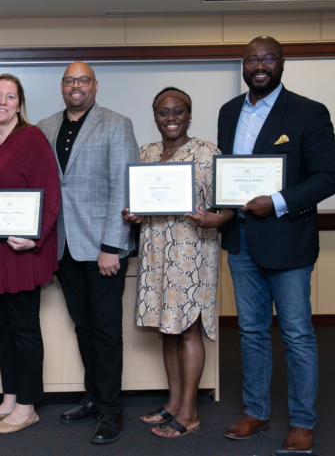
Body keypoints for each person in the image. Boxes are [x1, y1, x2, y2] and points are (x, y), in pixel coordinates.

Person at [218, 36, 335, 452]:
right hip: (240, 240)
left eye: (268, 58)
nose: (260, 65)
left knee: (297, 334)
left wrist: (275, 202)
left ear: (282, 63)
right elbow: (228, 175)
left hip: (288, 241)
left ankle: (302, 421)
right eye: (252, 59)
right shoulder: (229, 112)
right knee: (252, 332)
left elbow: (330, 176)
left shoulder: (309, 112)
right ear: (242, 64)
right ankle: (256, 411)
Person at [37, 61, 140, 445]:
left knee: (106, 331)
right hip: (63, 246)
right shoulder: (46, 127)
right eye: (69, 80)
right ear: (62, 86)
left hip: (103, 249)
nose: (75, 86)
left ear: (95, 85)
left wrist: (112, 246)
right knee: (83, 327)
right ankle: (94, 398)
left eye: (83, 80)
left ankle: (112, 410)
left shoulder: (116, 123)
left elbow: (123, 187)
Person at [122, 87, 234, 438]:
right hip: (155, 252)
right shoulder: (147, 152)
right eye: (163, 112)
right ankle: (172, 403)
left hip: (192, 252)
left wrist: (219, 218)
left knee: (187, 328)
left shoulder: (206, 153)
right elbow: (139, 201)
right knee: (166, 329)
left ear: (189, 114)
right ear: (154, 117)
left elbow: (228, 205)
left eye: (178, 111)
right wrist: (133, 214)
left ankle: (190, 412)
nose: (171, 118)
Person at [0, 74, 61, 434]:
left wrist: (36, 239)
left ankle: (27, 405)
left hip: (19, 252)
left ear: (19, 104)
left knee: (24, 330)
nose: (2, 102)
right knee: (1, 329)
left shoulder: (32, 138)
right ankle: (9, 397)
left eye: (10, 97)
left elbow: (51, 193)